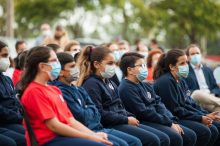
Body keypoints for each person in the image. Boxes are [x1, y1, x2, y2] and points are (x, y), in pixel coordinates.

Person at [77, 45, 171, 146]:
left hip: (121, 121)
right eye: (110, 63)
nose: (113, 66)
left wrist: (129, 116)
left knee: (161, 137)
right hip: (110, 124)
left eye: (114, 63)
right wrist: (126, 119)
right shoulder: (92, 84)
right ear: (96, 64)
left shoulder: (109, 82)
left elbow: (119, 106)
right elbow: (99, 113)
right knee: (149, 140)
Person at [18, 46, 111, 146]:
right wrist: (91, 137)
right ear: (42, 66)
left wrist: (94, 135)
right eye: (53, 60)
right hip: (49, 140)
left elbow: (70, 120)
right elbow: (54, 126)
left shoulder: (54, 89)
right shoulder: (34, 91)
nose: (57, 64)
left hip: (62, 137)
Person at [51, 52, 142, 146]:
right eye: (72, 66)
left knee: (133, 142)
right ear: (60, 71)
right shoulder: (62, 91)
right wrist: (89, 110)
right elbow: (81, 117)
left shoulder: (79, 89)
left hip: (99, 128)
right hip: (90, 129)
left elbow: (96, 112)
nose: (76, 69)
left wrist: (88, 110)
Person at [153, 49, 220, 146]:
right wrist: (200, 118)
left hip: (183, 115)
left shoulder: (180, 79)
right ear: (171, 66)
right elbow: (175, 110)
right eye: (182, 63)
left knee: (216, 125)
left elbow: (190, 103)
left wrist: (205, 115)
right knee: (206, 131)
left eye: (186, 62)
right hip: (174, 118)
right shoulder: (166, 82)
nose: (186, 65)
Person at [0, 40, 26, 146]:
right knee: (21, 139)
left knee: (34, 133)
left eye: (8, 55)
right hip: (4, 122)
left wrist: (20, 115)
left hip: (13, 119)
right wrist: (18, 117)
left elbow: (15, 101)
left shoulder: (7, 79)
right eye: (4, 55)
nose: (8, 59)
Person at [184, 44, 220, 112]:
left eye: (197, 53)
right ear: (188, 57)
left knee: (218, 111)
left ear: (201, 55)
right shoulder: (185, 71)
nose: (195, 55)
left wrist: (212, 94)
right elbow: (185, 90)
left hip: (210, 100)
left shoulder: (208, 70)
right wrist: (203, 94)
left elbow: (215, 87)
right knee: (197, 93)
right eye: (192, 54)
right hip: (196, 100)